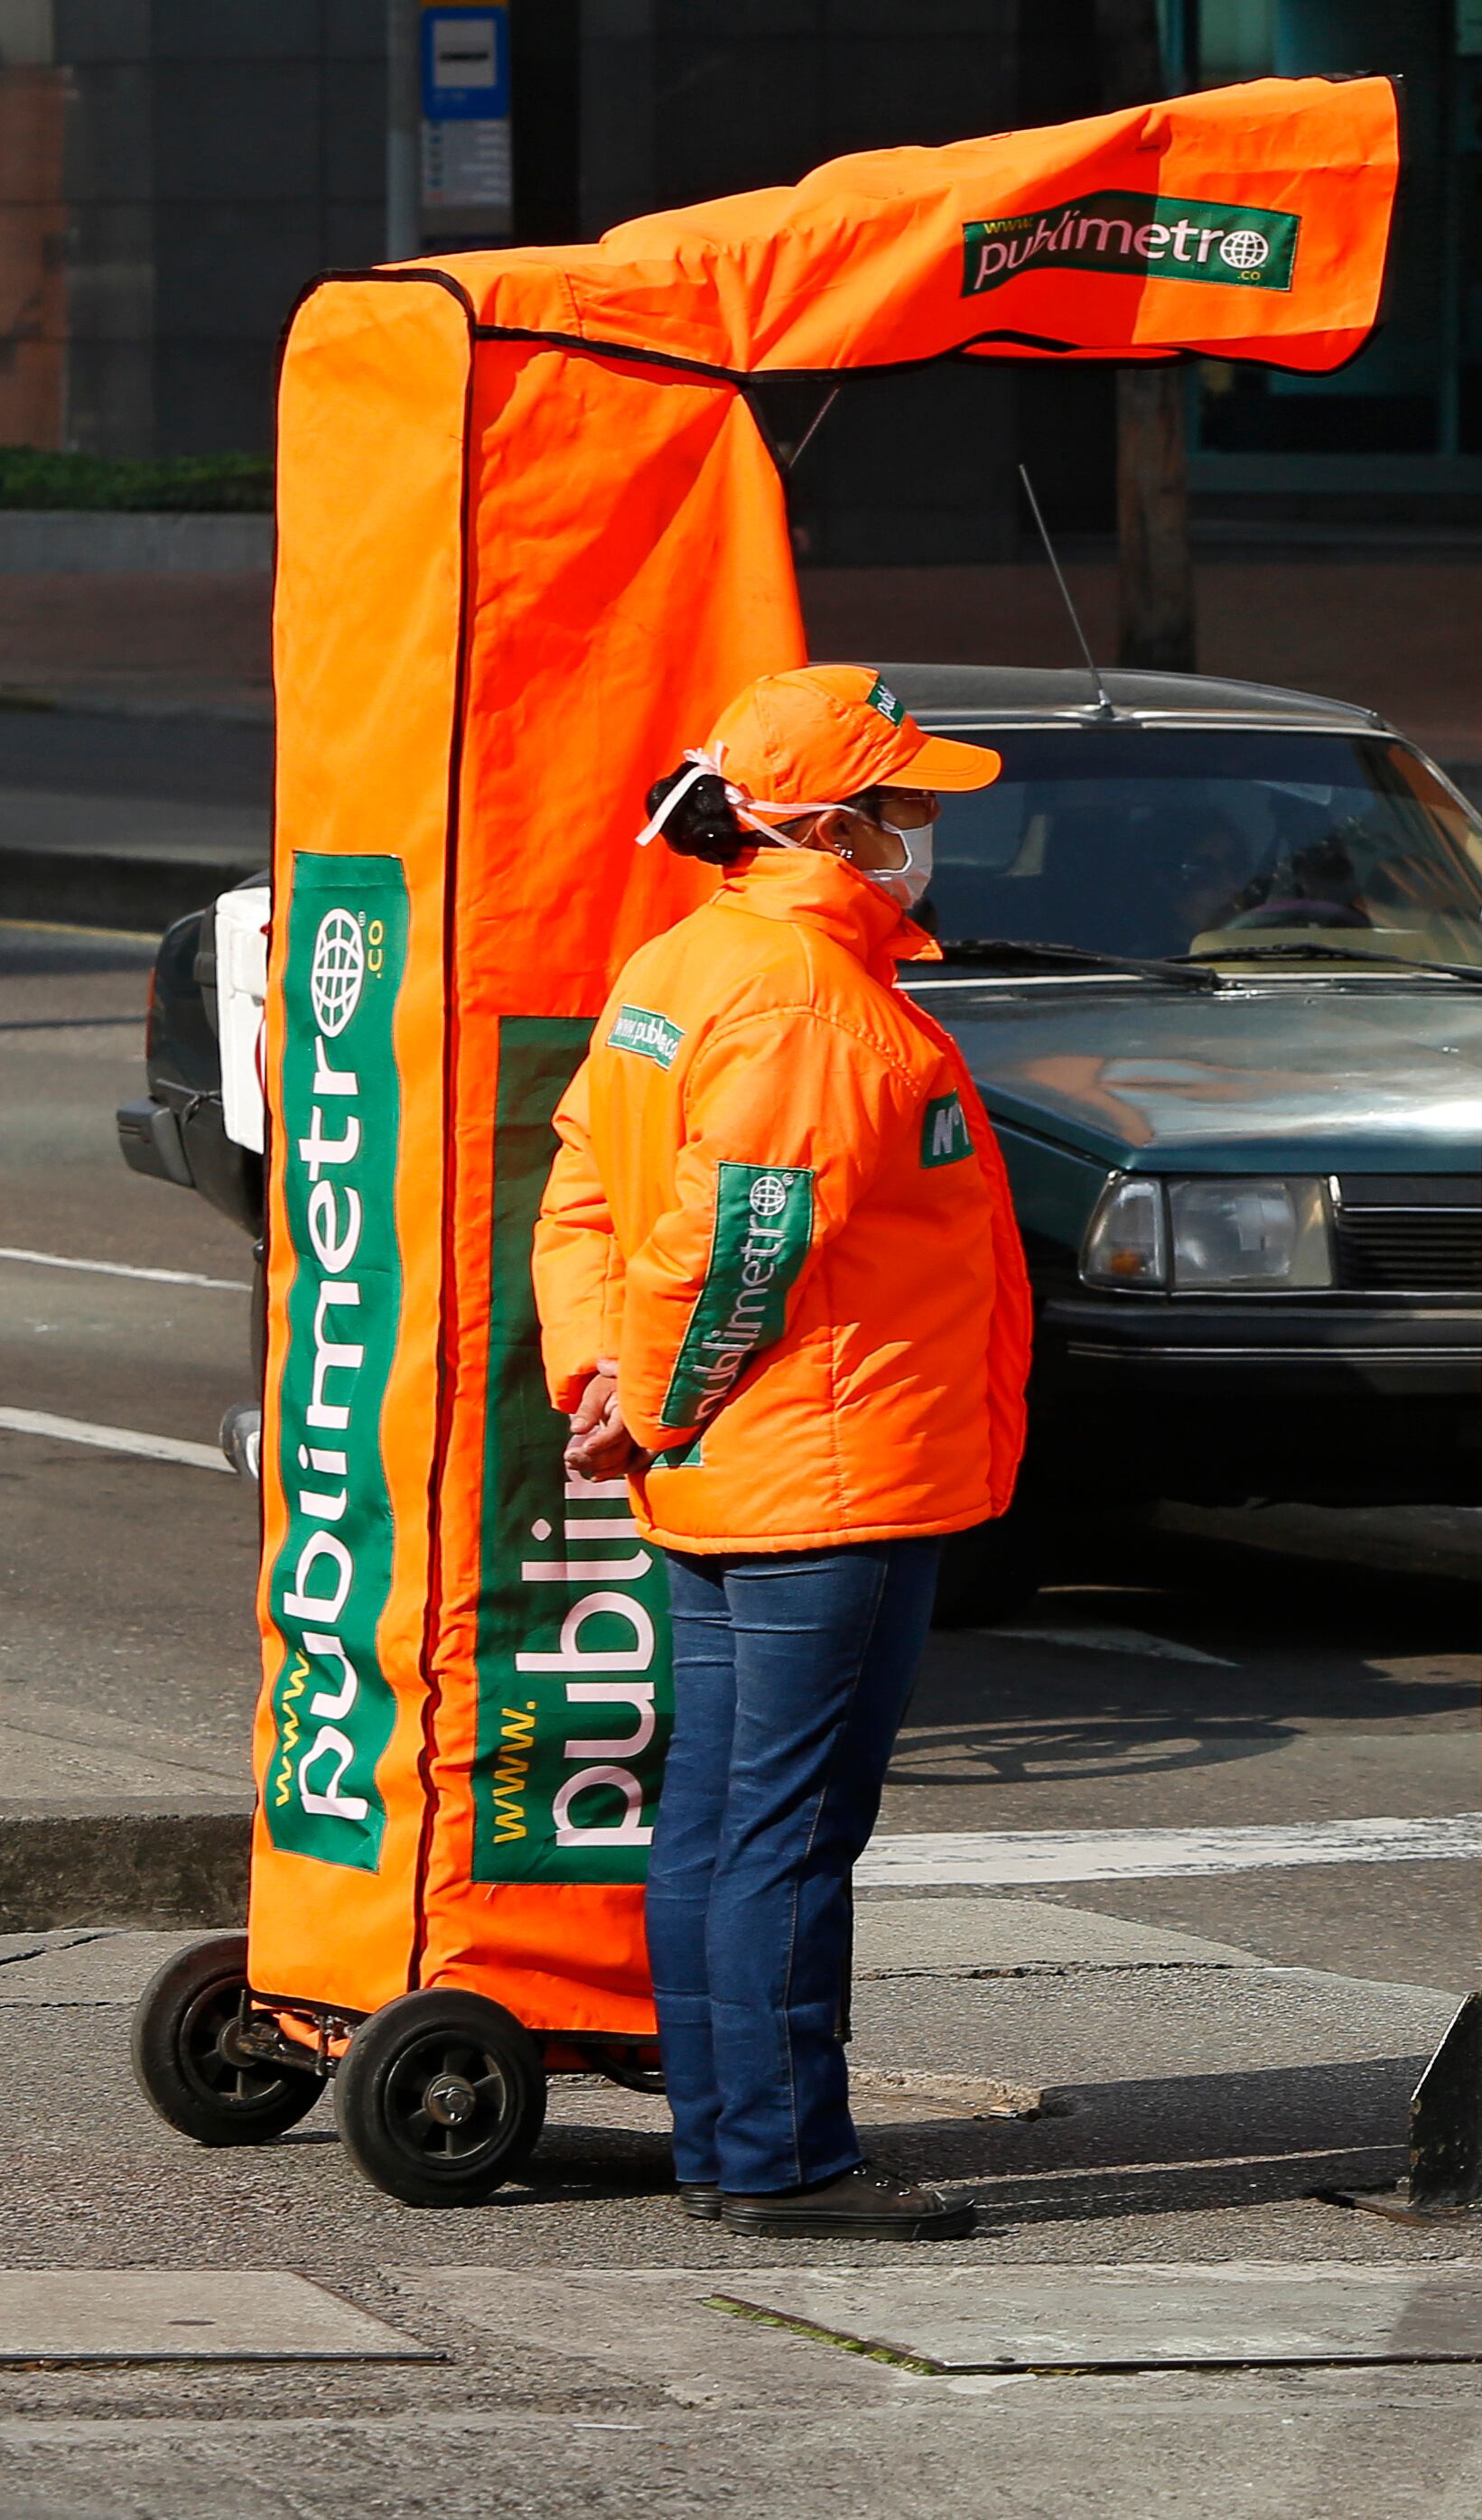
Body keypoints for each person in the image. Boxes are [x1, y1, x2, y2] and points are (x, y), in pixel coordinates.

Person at [537, 664, 1033, 2241]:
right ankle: (783, 2163)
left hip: (748, 1468)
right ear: (829, 825)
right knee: (789, 1832)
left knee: (721, 1819)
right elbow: (744, 1244)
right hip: (826, 1469)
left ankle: (728, 2140)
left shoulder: (684, 964)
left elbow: (588, 1198)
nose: (927, 829)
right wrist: (657, 1396)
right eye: (906, 805)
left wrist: (601, 1380)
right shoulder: (809, 1004)